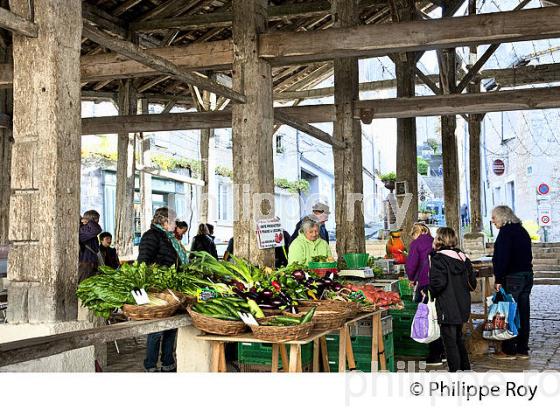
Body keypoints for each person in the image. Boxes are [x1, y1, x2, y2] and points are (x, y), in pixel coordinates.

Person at [138, 207, 188, 372]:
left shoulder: (169, 238)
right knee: (157, 329)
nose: (175, 225)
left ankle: (168, 363)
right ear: (165, 221)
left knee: (170, 327)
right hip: (157, 289)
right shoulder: (151, 236)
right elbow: (143, 262)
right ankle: (151, 365)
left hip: (170, 289)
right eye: (173, 221)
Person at [429, 227, 477, 372]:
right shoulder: (463, 257)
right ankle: (465, 369)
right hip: (463, 304)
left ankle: (454, 372)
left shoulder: (438, 258)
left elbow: (439, 283)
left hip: (447, 306)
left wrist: (429, 291)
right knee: (458, 339)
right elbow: (472, 284)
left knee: (450, 343)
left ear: (440, 239)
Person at [491, 205, 533, 359]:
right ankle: (522, 348)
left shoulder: (506, 233)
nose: (492, 220)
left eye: (494, 217)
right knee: (523, 312)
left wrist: (499, 279)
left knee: (509, 313)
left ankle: (509, 349)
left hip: (513, 277)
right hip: (527, 275)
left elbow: (503, 258)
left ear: (502, 217)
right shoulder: (522, 231)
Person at [405, 223, 444, 365]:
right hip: (439, 284)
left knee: (428, 317)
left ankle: (435, 355)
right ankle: (443, 351)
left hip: (425, 283)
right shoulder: (435, 240)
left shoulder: (416, 243)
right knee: (438, 316)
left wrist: (410, 278)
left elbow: (411, 264)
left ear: (415, 233)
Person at [223, 230, 292, 267]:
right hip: (281, 261)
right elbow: (227, 253)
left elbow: (227, 253)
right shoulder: (234, 239)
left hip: (279, 261)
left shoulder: (281, 234)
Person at [79, 210, 102, 283]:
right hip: (85, 263)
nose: (98, 222)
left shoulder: (88, 228)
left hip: (90, 262)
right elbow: (96, 229)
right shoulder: (83, 229)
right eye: (97, 219)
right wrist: (89, 221)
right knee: (84, 284)